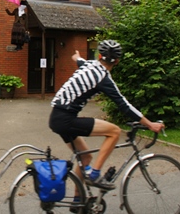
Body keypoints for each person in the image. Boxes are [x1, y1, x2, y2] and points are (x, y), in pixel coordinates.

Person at [49, 40, 164, 192]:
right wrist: (150, 124)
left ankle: (77, 203)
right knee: (115, 131)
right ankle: (95, 175)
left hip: (56, 117)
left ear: (100, 56)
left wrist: (76, 57)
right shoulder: (103, 77)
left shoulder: (90, 65)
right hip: (66, 119)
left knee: (85, 158)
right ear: (117, 61)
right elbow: (124, 105)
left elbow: (80, 61)